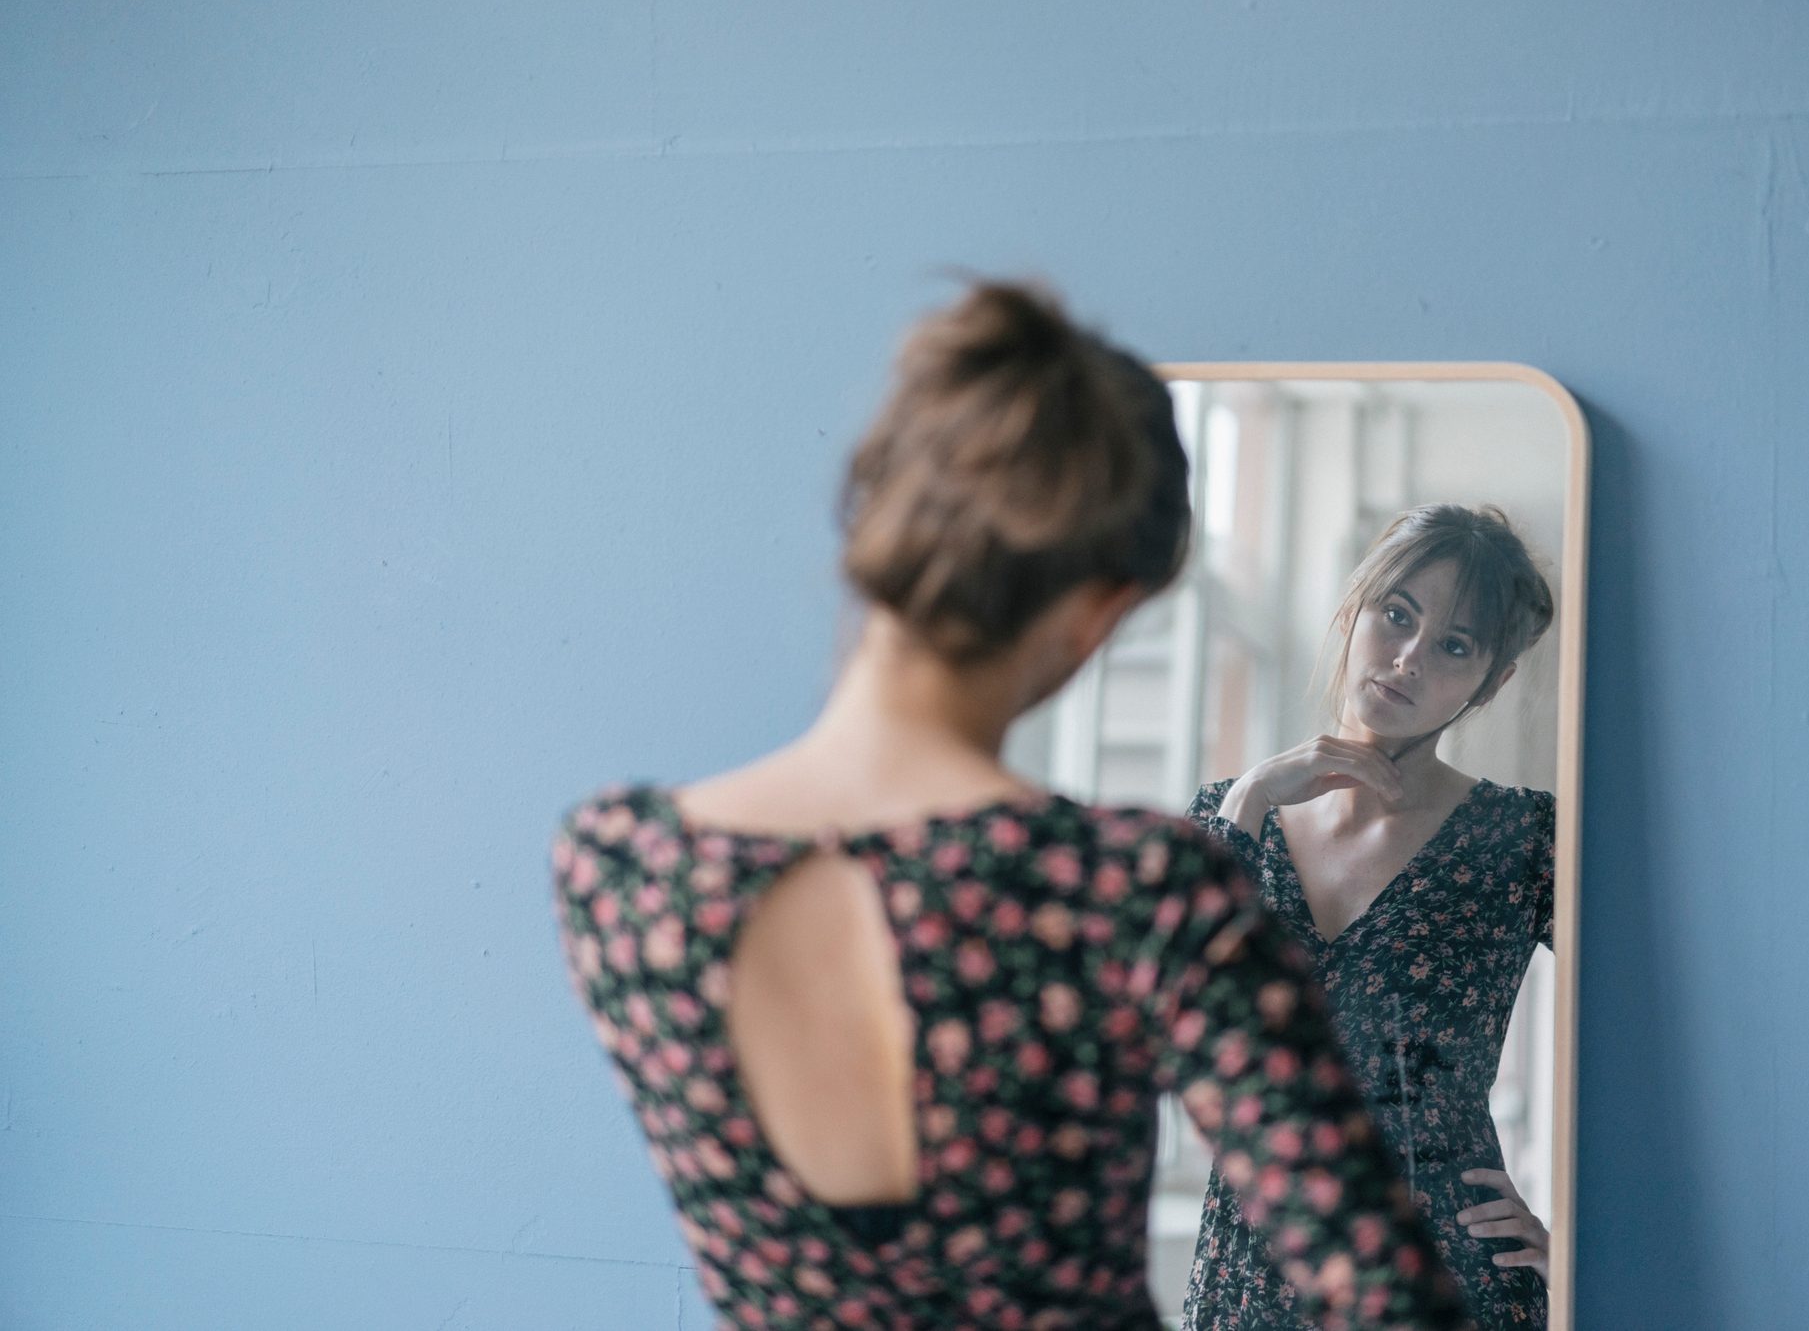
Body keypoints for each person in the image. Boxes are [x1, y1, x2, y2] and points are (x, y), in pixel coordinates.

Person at [551, 281, 1471, 1330]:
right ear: (1096, 611)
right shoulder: (1135, 890)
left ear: (870, 508)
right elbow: (1393, 1303)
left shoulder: (619, 866)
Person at [1183, 505, 1558, 1331]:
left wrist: (1581, 1234)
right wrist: (1248, 803)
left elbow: (1662, 1039)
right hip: (1249, 1274)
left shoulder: (1525, 838)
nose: (1408, 658)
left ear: (1490, 682)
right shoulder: (1228, 817)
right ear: (1351, 610)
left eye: (1454, 645)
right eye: (1397, 614)